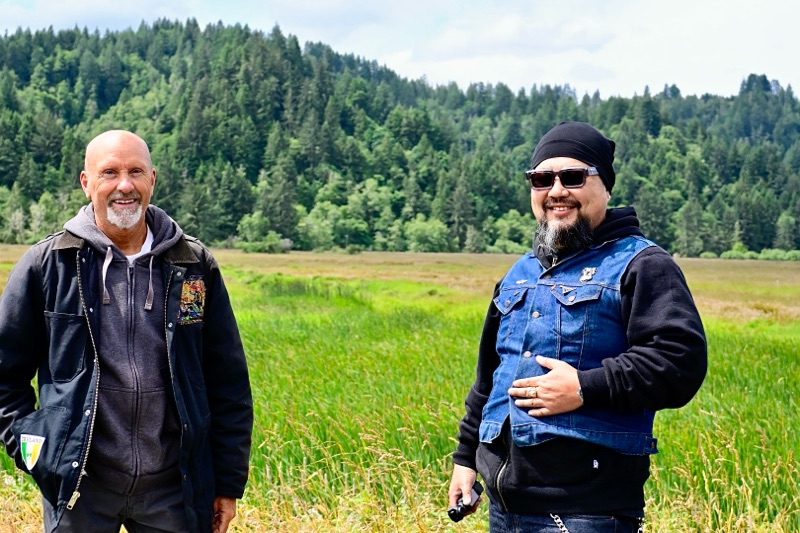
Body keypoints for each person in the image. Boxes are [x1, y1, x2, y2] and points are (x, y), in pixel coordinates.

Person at [448, 121, 707, 532]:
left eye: (572, 177)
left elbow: (679, 362)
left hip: (588, 513)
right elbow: (489, 378)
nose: (556, 190)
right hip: (504, 510)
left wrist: (585, 387)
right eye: (541, 179)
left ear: (605, 187)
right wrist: (465, 458)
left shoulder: (642, 264)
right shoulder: (520, 273)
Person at [0, 130, 253, 533]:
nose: (124, 185)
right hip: (80, 489)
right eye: (110, 172)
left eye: (136, 172)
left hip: (175, 490)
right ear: (86, 182)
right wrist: (34, 451)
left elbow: (228, 381)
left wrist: (227, 482)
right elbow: (4, 374)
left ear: (152, 179)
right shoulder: (49, 264)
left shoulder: (193, 265)